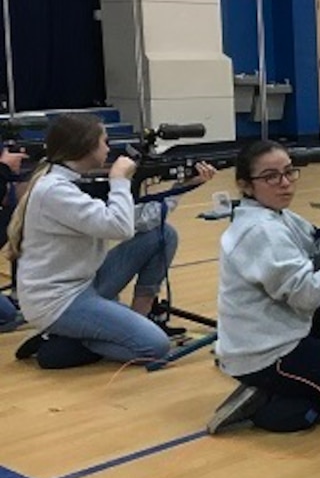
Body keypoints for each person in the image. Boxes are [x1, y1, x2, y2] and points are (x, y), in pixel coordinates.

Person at [208, 140, 320, 434]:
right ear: (245, 185)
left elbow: (316, 242)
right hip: (270, 356)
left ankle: (294, 390)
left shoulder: (275, 216)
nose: (284, 183)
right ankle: (273, 403)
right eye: (271, 177)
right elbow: (308, 295)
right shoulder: (261, 230)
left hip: (276, 341)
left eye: (289, 172)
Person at [5, 113, 204, 368]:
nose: (109, 148)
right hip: (59, 301)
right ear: (86, 147)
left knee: (163, 234)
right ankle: (70, 339)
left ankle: (137, 318)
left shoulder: (69, 181)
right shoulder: (55, 190)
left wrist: (182, 186)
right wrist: (120, 181)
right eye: (104, 141)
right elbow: (118, 227)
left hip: (85, 281)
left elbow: (134, 222)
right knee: (155, 348)